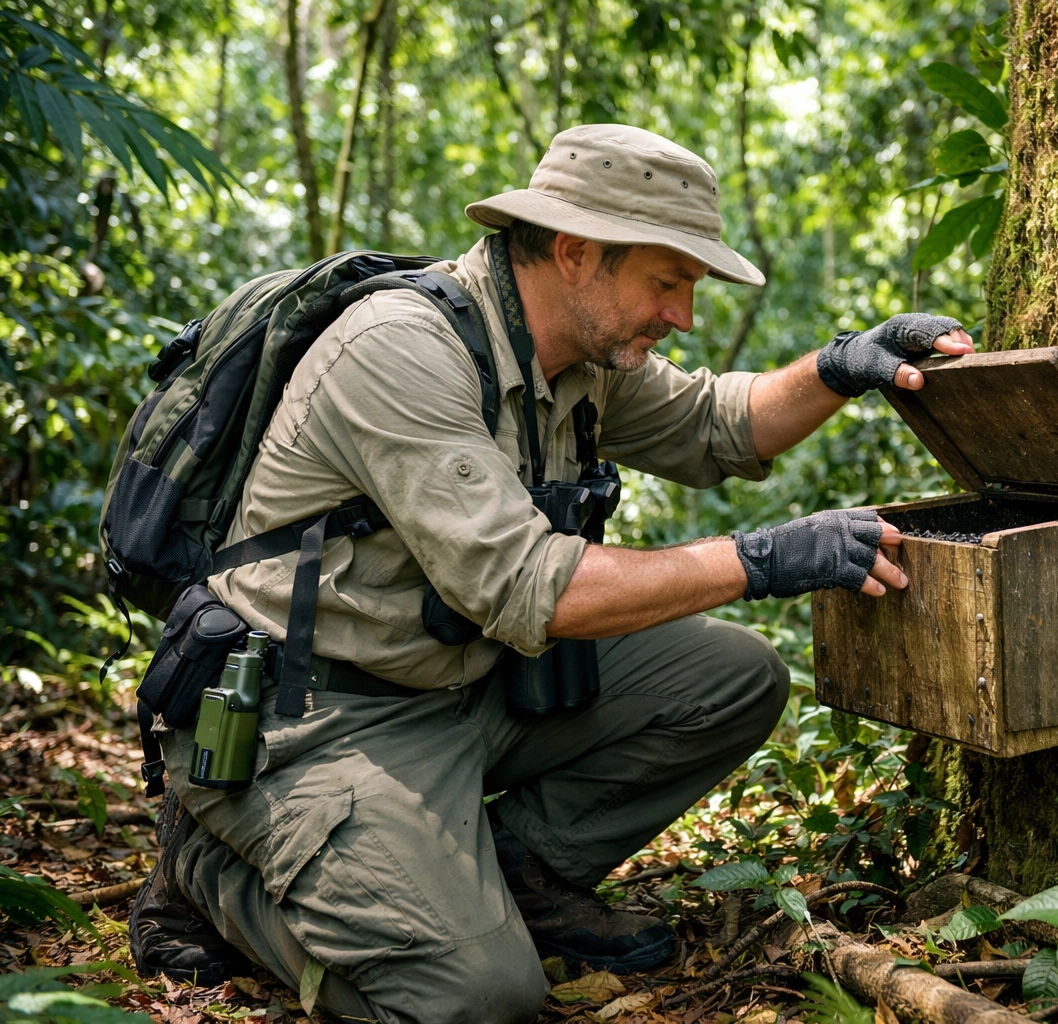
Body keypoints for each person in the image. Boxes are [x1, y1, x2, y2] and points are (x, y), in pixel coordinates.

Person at [128, 123, 972, 1024]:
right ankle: (210, 868)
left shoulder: (575, 353)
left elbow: (717, 425)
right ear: (575, 253)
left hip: (461, 686)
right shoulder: (400, 349)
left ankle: (516, 873)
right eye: (668, 280)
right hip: (317, 718)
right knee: (471, 1000)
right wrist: (764, 559)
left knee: (733, 677)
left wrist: (845, 364)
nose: (684, 313)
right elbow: (533, 585)